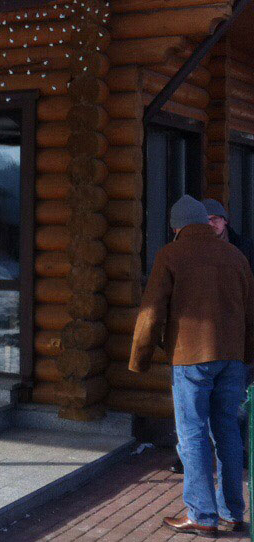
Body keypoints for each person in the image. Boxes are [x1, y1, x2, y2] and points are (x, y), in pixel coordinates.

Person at [131, 194, 254, 536]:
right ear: (204, 222)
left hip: (190, 357)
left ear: (176, 227)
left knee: (193, 434)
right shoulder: (235, 256)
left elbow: (151, 311)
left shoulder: (171, 255)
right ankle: (232, 512)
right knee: (228, 432)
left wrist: (140, 357)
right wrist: (247, 356)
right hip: (232, 359)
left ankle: (202, 515)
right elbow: (250, 312)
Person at [203, 198, 254, 270]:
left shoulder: (245, 247)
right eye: (206, 220)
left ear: (225, 220)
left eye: (215, 218)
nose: (211, 224)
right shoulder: (198, 250)